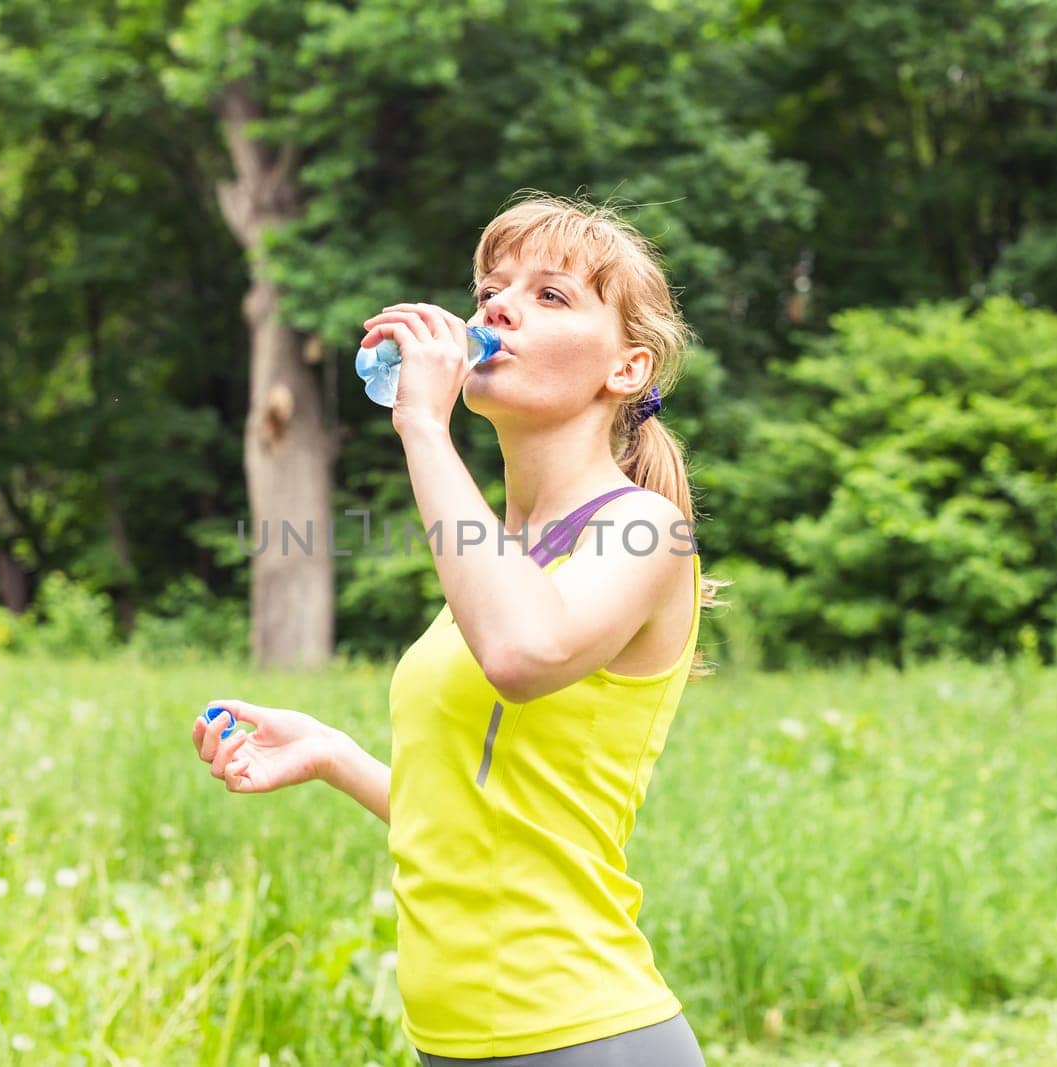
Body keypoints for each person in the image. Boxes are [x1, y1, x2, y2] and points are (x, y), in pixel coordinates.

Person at [194, 193, 726, 1064]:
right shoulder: (499, 559)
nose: (495, 307)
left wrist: (419, 423)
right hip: (454, 1043)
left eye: (550, 295)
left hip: (584, 1034)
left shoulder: (644, 529)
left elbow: (524, 654)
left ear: (626, 370)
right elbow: (479, 823)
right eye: (489, 289)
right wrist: (333, 754)